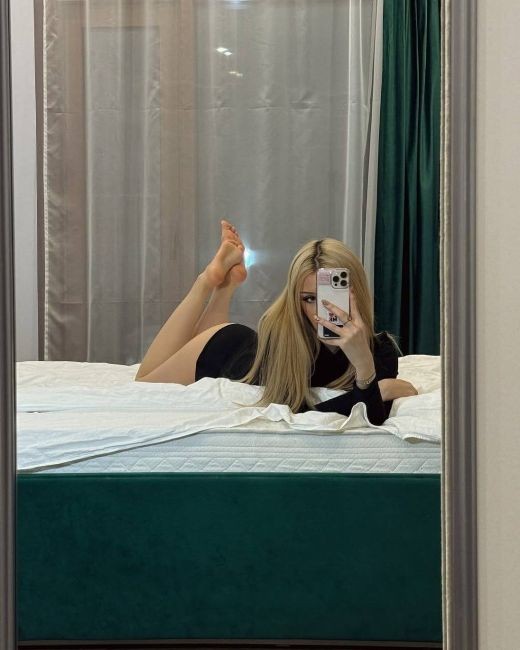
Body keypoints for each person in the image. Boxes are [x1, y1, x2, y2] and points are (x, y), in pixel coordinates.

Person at [135, 221, 417, 425]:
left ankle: (226, 284)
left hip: (239, 350)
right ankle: (208, 280)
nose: (320, 310)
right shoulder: (287, 338)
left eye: (331, 298)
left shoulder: (381, 349)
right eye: (309, 299)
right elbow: (296, 414)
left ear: (354, 293)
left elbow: (372, 417)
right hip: (225, 350)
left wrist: (363, 363)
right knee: (144, 381)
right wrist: (381, 388)